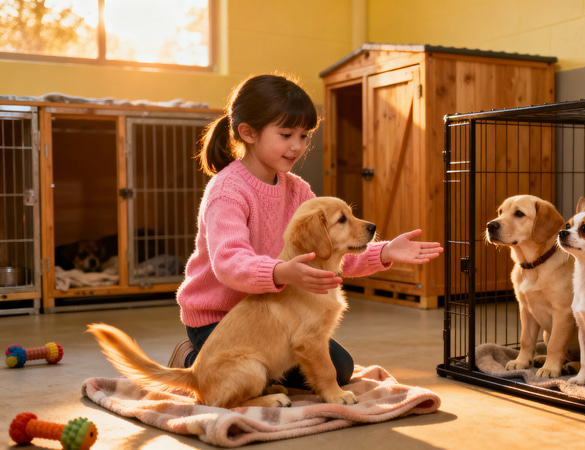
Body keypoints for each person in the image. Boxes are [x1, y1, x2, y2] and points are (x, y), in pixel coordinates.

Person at [168, 73, 443, 390]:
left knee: (340, 368)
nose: (297, 146)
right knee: (272, 373)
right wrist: (281, 272)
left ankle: (230, 371)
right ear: (248, 133)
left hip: (276, 313)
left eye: (304, 136)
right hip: (220, 320)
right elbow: (229, 262)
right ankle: (194, 363)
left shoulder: (297, 190)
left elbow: (327, 252)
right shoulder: (227, 191)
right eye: (286, 134)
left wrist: (384, 252)